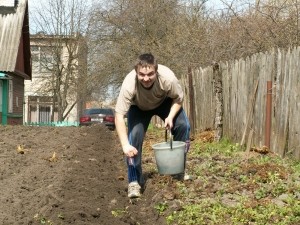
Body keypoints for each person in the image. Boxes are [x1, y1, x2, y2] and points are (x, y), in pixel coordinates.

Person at [115, 53, 191, 198]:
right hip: (138, 107)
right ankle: (134, 181)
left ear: (156, 71)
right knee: (134, 138)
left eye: (150, 74)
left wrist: (170, 116)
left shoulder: (168, 78)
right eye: (141, 75)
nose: (146, 78)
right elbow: (119, 116)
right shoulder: (129, 85)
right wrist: (125, 145)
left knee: (183, 126)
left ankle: (178, 171)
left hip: (165, 103)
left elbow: (178, 99)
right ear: (136, 72)